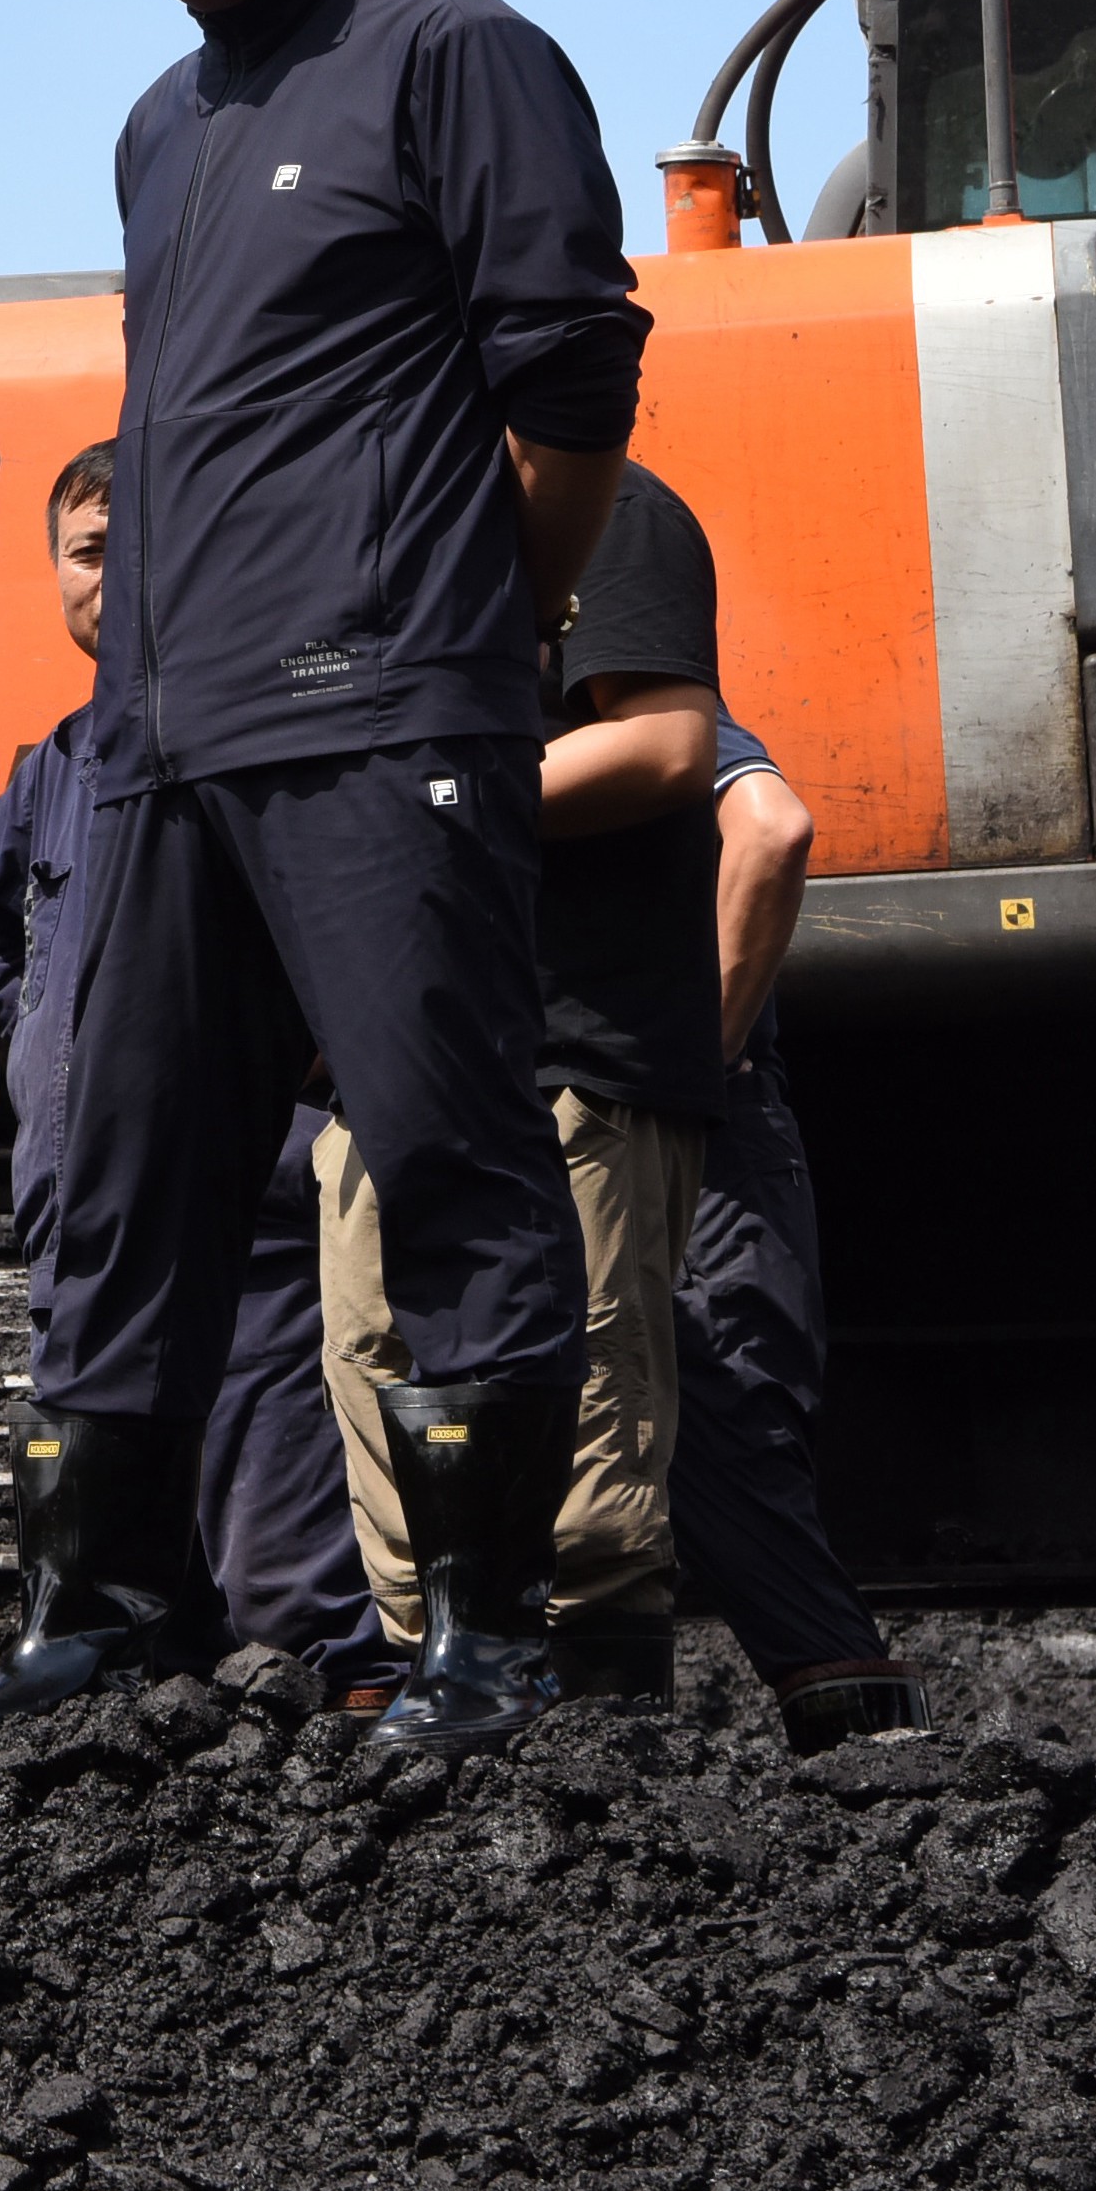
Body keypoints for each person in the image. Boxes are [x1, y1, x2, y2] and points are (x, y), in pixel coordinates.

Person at [0, 0, 648, 1753]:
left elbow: (569, 378)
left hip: (375, 711)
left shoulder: (455, 52)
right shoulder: (162, 123)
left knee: (443, 1154)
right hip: (159, 744)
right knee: (122, 1179)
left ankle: (486, 1641)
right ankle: (101, 1613)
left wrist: (479, 628)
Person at [0, 442, 380, 1684]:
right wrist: (40, 1034)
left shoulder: (269, 733)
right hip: (75, 1204)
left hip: (240, 1212)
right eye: (86, 552)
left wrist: (293, 1058)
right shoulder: (55, 766)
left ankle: (346, 1715)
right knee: (128, 1562)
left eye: (134, 544)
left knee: (280, 1563)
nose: (111, 574)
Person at [314, 457, 721, 1711]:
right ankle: (442, 1727)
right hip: (391, 1057)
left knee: (586, 1461)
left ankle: (598, 1771)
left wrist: (419, 806)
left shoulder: (611, 510)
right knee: (382, 1385)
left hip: (567, 1049)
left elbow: (665, 742)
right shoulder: (377, 523)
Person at [671, 715, 922, 1743]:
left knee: (723, 1423)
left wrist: (686, 1068)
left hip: (682, 1124)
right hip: (684, 1117)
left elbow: (773, 830)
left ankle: (870, 1744)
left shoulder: (630, 697)